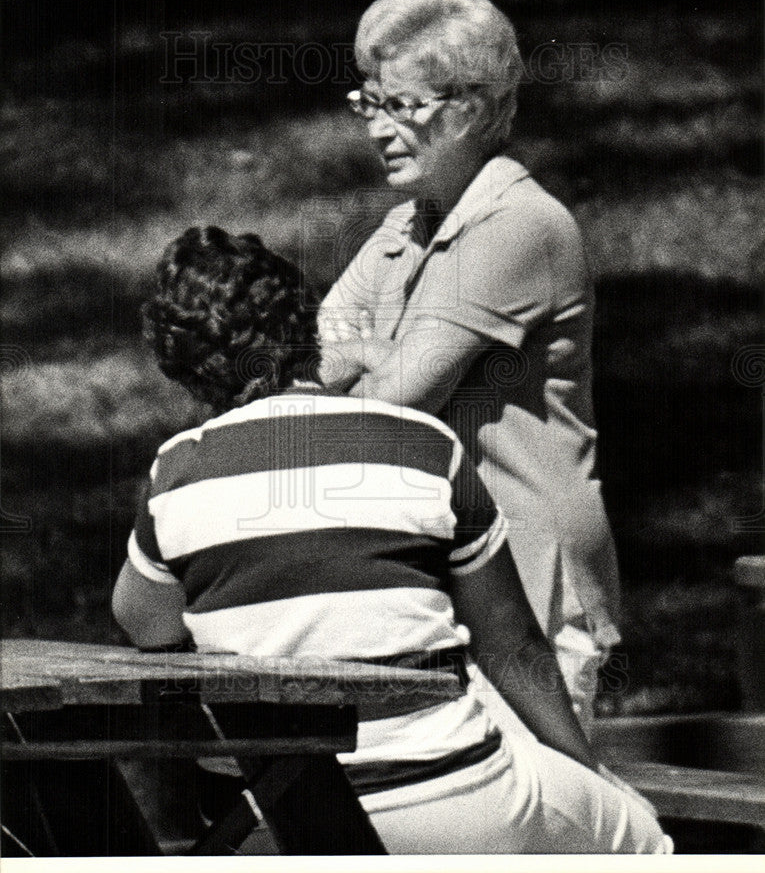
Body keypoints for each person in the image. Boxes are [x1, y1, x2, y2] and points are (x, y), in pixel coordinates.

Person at [112, 226, 670, 854]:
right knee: (644, 842)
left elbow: (141, 618)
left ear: (178, 365)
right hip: (455, 797)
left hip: (276, 822)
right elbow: (511, 644)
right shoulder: (418, 442)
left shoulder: (177, 475)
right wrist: (585, 771)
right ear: (305, 328)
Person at [319, 0, 620, 733]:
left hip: (531, 596)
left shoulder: (516, 223)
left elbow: (390, 405)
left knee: (548, 832)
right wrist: (379, 351)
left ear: (472, 108)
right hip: (438, 588)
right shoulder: (403, 226)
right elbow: (297, 369)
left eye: (401, 106)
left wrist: (370, 356)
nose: (377, 129)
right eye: (370, 103)